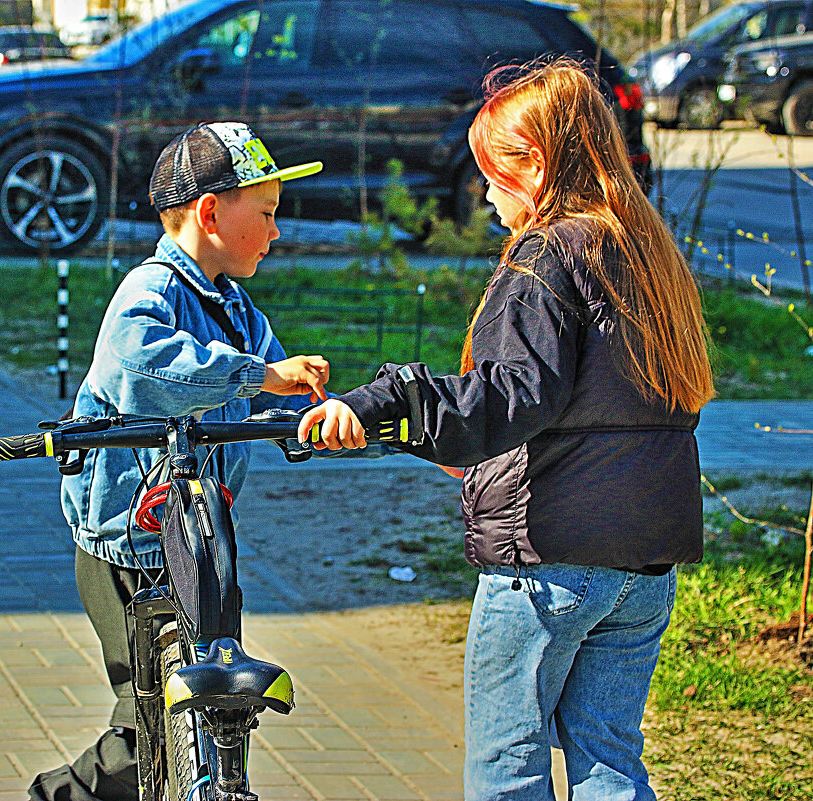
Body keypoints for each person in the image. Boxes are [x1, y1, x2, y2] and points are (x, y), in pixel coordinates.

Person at [299, 58, 715, 801]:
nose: (484, 191)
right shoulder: (645, 249)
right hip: (645, 562)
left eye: (492, 171)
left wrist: (383, 401)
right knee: (610, 763)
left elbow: (506, 398)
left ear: (536, 165)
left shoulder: (546, 254)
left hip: (549, 560)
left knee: (506, 766)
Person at [29, 121, 329, 801]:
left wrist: (316, 415)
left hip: (199, 537)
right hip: (128, 544)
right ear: (210, 210)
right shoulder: (150, 291)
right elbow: (141, 367)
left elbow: (262, 393)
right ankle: (57, 797)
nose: (277, 233)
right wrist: (259, 377)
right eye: (268, 213)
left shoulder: (234, 306)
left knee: (220, 704)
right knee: (150, 720)